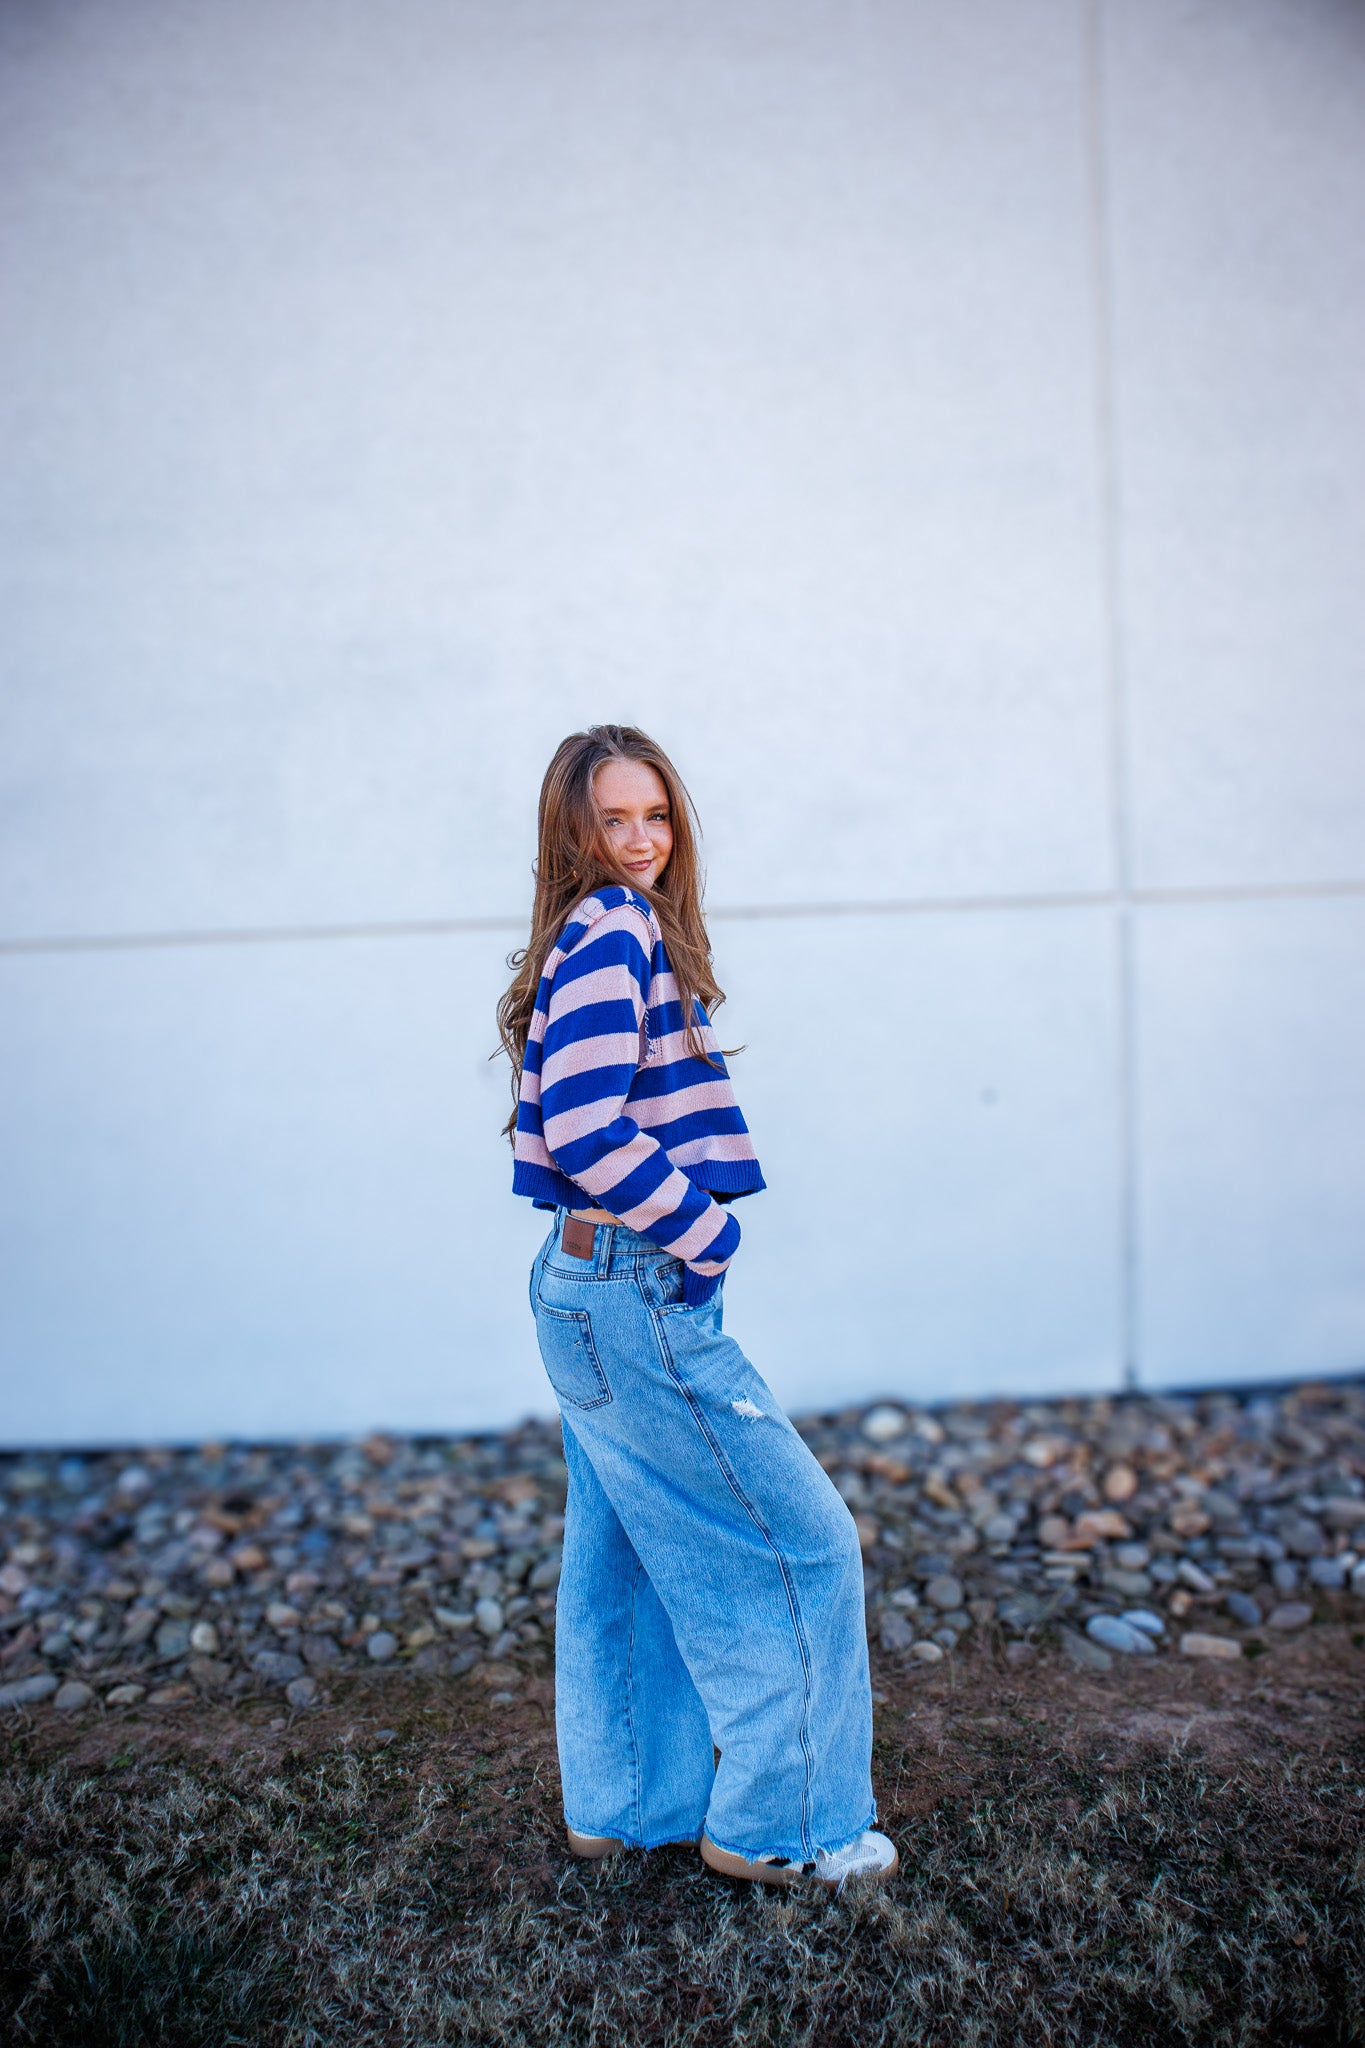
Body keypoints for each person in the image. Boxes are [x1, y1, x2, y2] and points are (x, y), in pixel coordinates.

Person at [497, 723, 897, 1891]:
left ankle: (628, 1805)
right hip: (633, 1287)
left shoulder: (588, 933)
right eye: (611, 818)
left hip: (584, 1288)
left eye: (656, 815)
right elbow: (580, 1120)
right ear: (572, 831)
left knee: (622, 1552)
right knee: (805, 1546)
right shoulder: (616, 929)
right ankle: (790, 1824)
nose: (638, 840)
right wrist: (703, 1227)